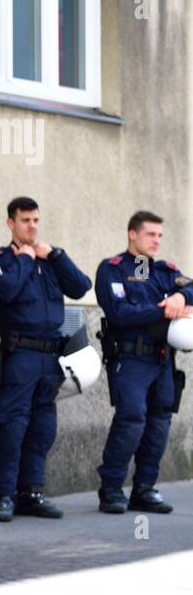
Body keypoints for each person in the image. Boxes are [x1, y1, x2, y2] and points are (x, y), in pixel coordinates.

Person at [0, 197, 92, 521]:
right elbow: (5, 292)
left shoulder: (50, 260)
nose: (32, 226)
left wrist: (56, 255)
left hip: (51, 356)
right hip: (19, 355)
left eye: (36, 220)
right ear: (10, 223)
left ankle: (32, 493)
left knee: (43, 428)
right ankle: (4, 496)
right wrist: (26, 260)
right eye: (25, 220)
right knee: (11, 426)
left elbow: (81, 286)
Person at [93, 211, 188, 515]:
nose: (157, 241)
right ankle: (111, 490)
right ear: (132, 234)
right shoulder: (113, 269)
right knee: (131, 419)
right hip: (131, 359)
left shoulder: (165, 271)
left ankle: (144, 488)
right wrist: (163, 310)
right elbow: (120, 313)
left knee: (159, 423)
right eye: (151, 235)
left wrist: (181, 298)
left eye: (160, 235)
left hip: (162, 360)